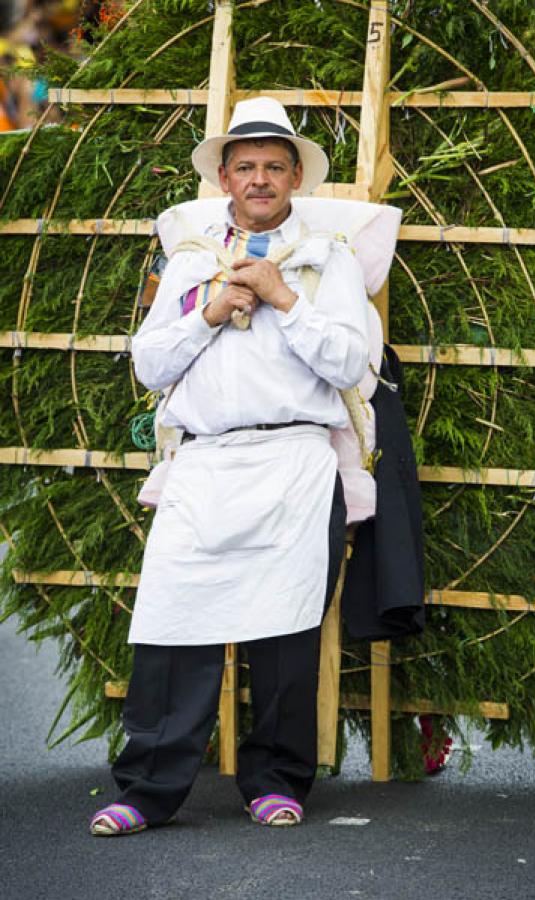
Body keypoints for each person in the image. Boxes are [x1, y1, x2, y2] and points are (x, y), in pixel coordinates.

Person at [90, 97, 369, 834]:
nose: (259, 179)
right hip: (207, 464)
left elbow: (351, 362)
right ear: (223, 176)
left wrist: (282, 299)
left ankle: (276, 781)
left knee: (285, 634)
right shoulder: (189, 263)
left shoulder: (323, 260)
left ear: (293, 179)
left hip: (294, 461)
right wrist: (209, 311)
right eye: (245, 166)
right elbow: (149, 366)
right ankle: (146, 789)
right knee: (172, 625)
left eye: (274, 167)